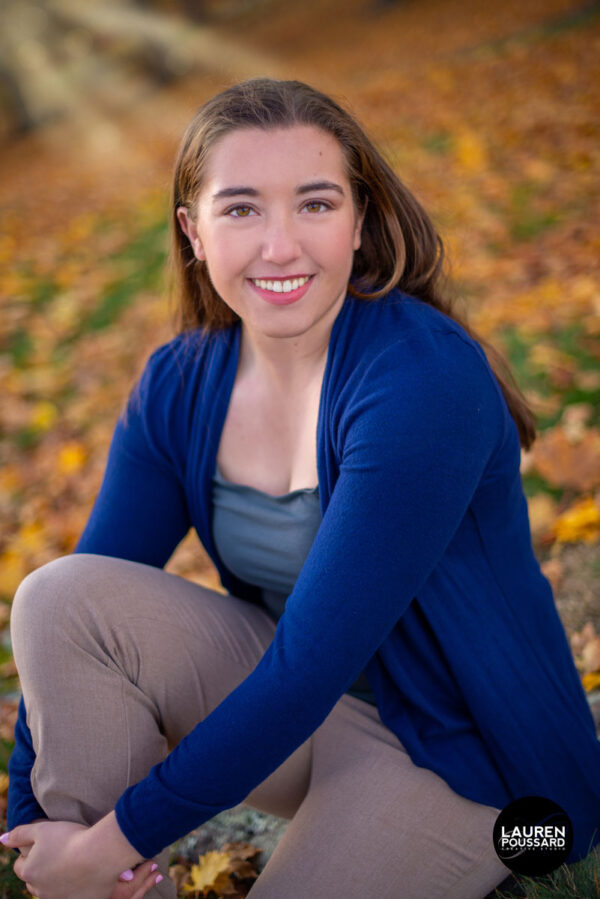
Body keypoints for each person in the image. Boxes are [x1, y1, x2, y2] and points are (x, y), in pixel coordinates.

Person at [3, 77, 600, 899]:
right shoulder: (178, 384)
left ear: (359, 220)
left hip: (476, 760)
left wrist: (119, 837)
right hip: (307, 722)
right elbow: (75, 624)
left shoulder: (420, 379)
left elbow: (308, 666)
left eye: (315, 204)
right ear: (193, 232)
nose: (281, 246)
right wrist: (39, 823)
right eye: (242, 209)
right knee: (57, 596)